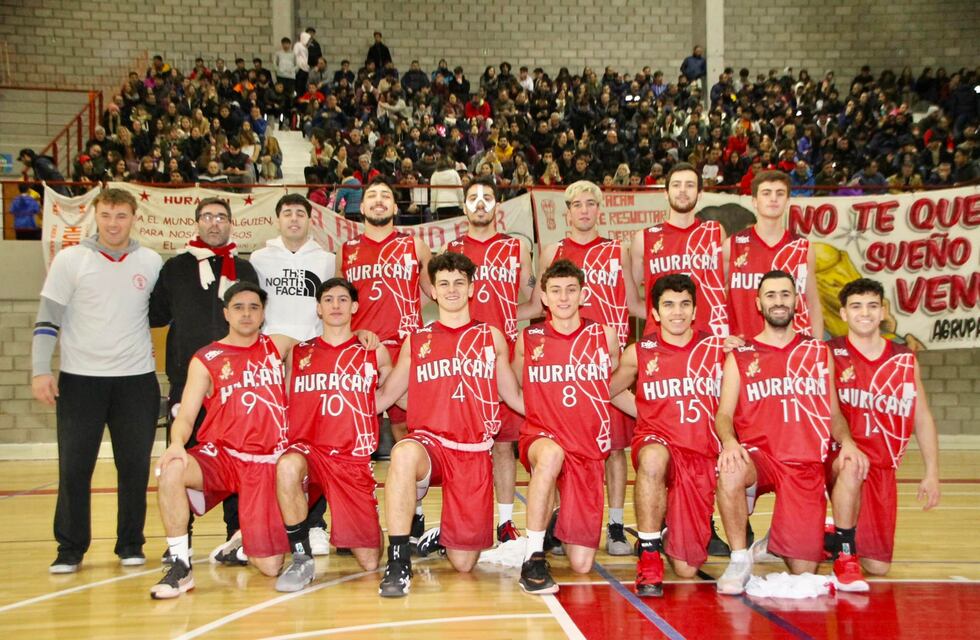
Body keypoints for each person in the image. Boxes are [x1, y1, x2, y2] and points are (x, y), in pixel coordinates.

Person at [373, 252, 524, 597]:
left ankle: (445, 534)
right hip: (431, 446)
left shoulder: (491, 337)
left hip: (473, 451)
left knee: (464, 563)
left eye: (459, 282)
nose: (451, 289)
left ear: (471, 289)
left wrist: (560, 415)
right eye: (444, 283)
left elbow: (514, 396)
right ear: (433, 291)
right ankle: (398, 561)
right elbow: (385, 397)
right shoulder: (417, 340)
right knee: (403, 453)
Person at [714, 270, 869, 595]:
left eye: (785, 294)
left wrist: (848, 442)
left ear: (796, 301)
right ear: (758, 303)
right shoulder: (741, 355)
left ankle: (779, 538)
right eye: (770, 295)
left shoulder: (818, 352)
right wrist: (729, 442)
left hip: (804, 463)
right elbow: (723, 414)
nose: (779, 301)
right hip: (761, 458)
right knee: (730, 468)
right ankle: (739, 558)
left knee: (803, 569)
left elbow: (834, 414)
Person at [33, 188, 162, 573]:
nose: (113, 223)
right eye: (106, 215)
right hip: (80, 382)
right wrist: (40, 369)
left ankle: (131, 544)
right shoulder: (70, 260)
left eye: (121, 215)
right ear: (95, 216)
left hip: (136, 382)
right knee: (74, 468)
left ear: (134, 217)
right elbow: (47, 319)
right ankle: (70, 549)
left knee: (134, 468)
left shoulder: (151, 261)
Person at [151, 282, 291, 598]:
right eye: (239, 307)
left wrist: (365, 337)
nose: (246, 314)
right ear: (226, 313)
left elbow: (327, 347)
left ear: (263, 314)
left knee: (271, 567)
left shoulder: (280, 345)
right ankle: (180, 566)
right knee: (171, 469)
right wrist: (176, 445)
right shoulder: (206, 358)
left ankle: (242, 542)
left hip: (266, 462)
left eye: (254, 307)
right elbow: (186, 416)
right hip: (223, 456)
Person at [534, 181, 645, 556]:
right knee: (561, 445)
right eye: (577, 204)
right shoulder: (552, 252)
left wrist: (683, 320)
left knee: (613, 448)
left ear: (599, 210)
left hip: (607, 362)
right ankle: (559, 521)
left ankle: (615, 524)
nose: (584, 210)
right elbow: (540, 306)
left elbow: (634, 303)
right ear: (566, 212)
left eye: (590, 204)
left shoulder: (618, 250)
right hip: (564, 364)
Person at [149, 197, 259, 564]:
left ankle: (237, 537)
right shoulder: (175, 268)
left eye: (221, 217)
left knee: (236, 457)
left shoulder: (244, 268)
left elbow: (255, 320)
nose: (214, 223)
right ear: (197, 222)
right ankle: (181, 540)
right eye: (208, 217)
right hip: (188, 382)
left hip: (236, 385)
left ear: (230, 224)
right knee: (181, 455)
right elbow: (157, 315)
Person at [609, 274, 726, 596]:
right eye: (669, 305)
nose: (677, 312)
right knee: (652, 458)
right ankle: (648, 553)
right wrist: (646, 412)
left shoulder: (716, 348)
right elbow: (608, 390)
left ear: (695, 310)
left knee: (687, 569)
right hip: (657, 440)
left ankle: (668, 530)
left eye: (685, 304)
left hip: (699, 451)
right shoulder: (640, 351)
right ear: (656, 312)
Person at [274, 278, 393, 591]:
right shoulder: (298, 352)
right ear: (318, 308)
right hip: (309, 451)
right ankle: (301, 557)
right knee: (287, 465)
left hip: (350, 457)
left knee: (370, 561)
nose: (335, 305)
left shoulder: (374, 352)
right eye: (328, 300)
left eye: (343, 299)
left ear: (355, 307)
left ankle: (362, 522)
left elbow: (389, 394)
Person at [514, 259, 620, 594]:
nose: (563, 298)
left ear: (583, 294)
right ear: (543, 297)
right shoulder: (528, 339)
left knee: (582, 564)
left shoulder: (604, 336)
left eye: (571, 290)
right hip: (542, 437)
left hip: (586, 447)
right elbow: (517, 386)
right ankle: (533, 556)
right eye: (556, 291)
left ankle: (554, 521)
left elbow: (609, 384)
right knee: (550, 455)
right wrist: (538, 414)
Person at [826, 278, 940, 580]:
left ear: (883, 311)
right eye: (856, 306)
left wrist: (931, 472)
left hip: (881, 467)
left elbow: (922, 417)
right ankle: (844, 550)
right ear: (844, 313)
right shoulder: (830, 352)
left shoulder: (903, 358)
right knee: (852, 465)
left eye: (872, 306)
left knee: (878, 567)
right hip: (839, 458)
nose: (865, 313)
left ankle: (829, 534)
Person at [444, 178, 536, 545]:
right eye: (473, 198)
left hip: (504, 358)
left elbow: (536, 302)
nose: (480, 203)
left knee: (502, 444)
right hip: (461, 359)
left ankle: (505, 522)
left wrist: (507, 319)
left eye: (487, 197)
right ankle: (464, 520)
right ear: (463, 206)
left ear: (497, 205)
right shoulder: (452, 249)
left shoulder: (516, 247)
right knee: (461, 444)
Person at [339, 177, 432, 488]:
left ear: (394, 207)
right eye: (372, 196)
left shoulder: (415, 246)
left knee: (408, 432)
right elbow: (338, 304)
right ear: (362, 207)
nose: (378, 201)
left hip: (407, 349)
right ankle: (362, 503)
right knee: (359, 434)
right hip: (362, 351)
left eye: (385, 196)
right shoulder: (346, 250)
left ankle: (415, 508)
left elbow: (437, 292)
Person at [631, 162, 729, 338]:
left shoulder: (715, 232)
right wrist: (661, 317)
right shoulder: (644, 238)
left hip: (708, 338)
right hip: (661, 341)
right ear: (666, 193)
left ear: (700, 194)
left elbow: (729, 288)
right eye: (676, 185)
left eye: (690, 185)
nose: (682, 190)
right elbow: (629, 300)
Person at [726, 170, 824, 340]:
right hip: (744, 346)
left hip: (792, 347)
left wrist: (818, 346)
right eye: (766, 193)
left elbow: (812, 303)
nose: (773, 198)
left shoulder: (802, 247)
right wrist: (721, 339)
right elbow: (715, 299)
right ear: (754, 201)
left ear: (787, 201)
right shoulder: (732, 245)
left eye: (780, 193)